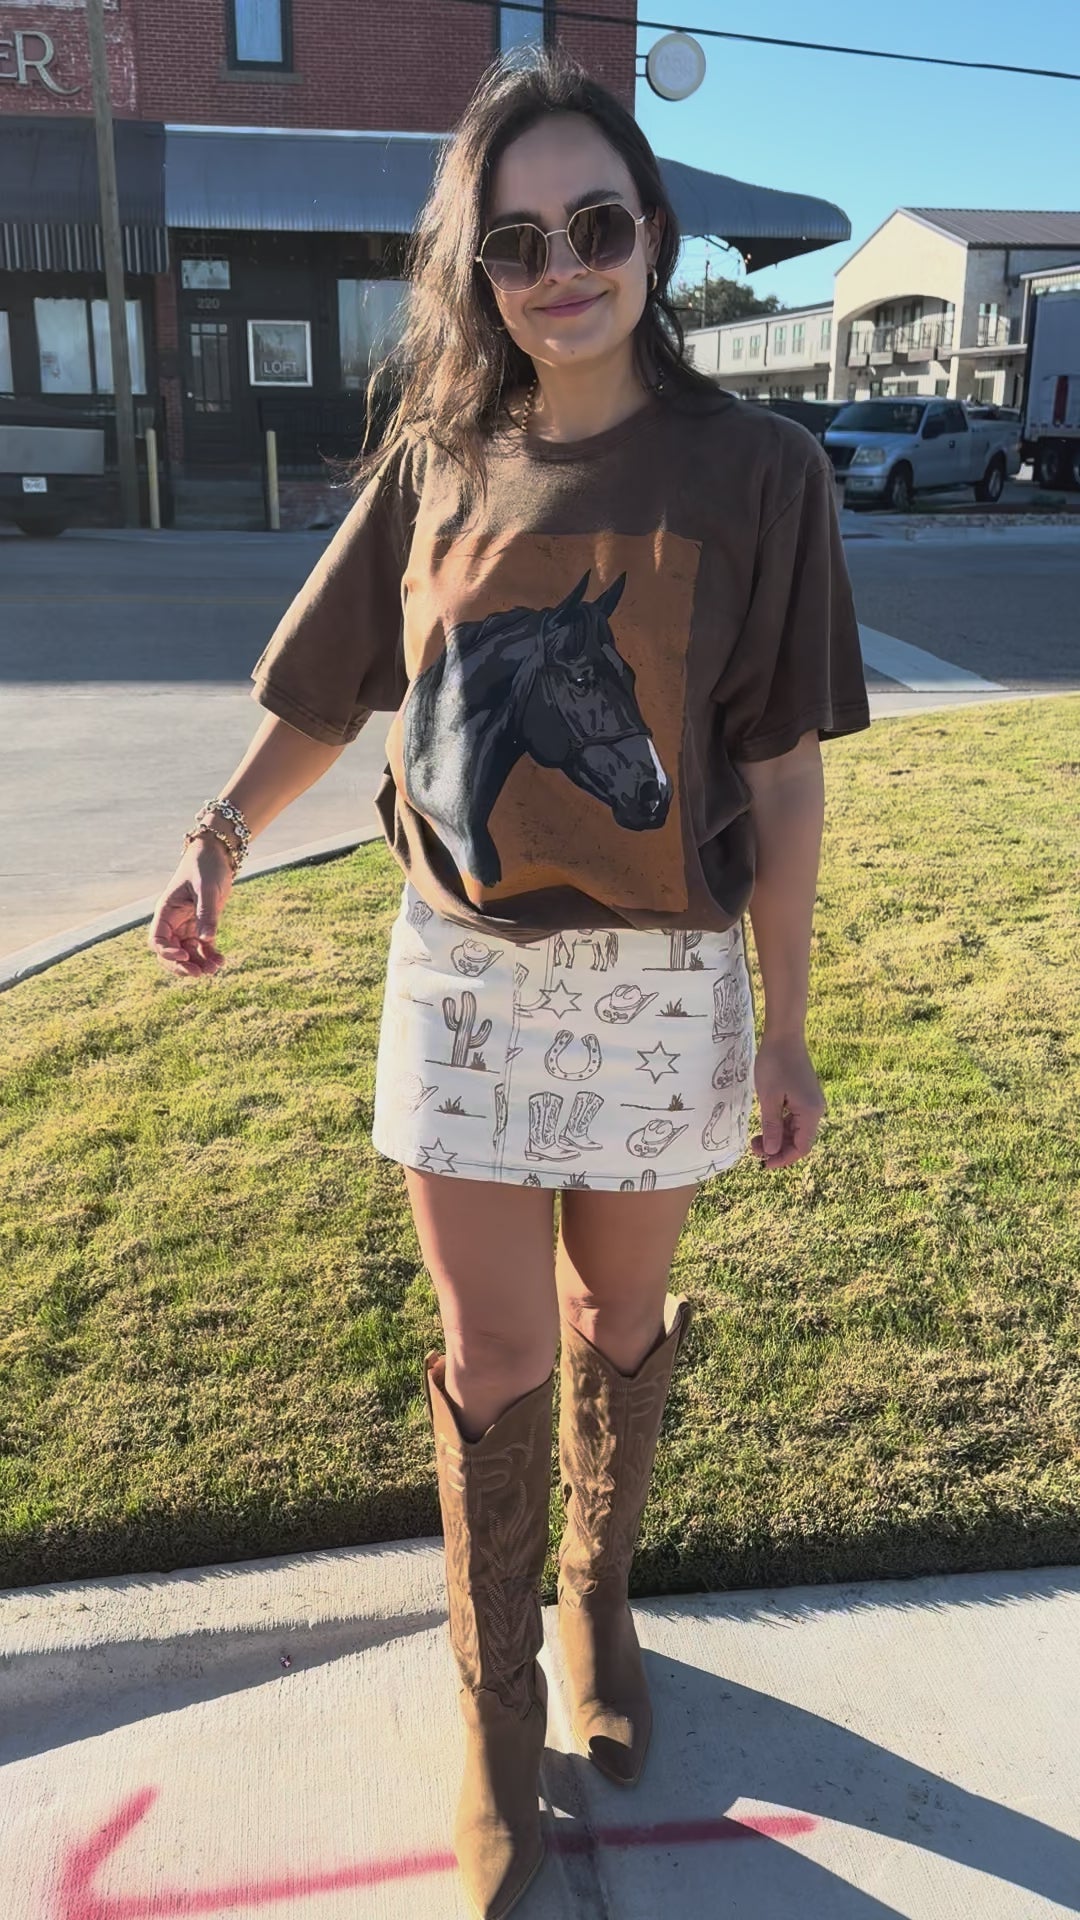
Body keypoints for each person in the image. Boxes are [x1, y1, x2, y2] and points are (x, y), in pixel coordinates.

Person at [148, 45, 871, 1920]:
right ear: (477, 267)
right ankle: (492, 1704)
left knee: (620, 1334)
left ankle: (596, 1605)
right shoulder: (431, 465)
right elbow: (328, 696)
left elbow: (782, 770)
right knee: (496, 1353)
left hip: (660, 982)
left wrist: (788, 1026)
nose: (563, 266)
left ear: (656, 235)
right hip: (461, 981)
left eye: (600, 226)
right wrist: (219, 837)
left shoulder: (760, 472)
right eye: (519, 237)